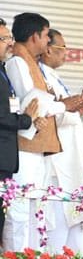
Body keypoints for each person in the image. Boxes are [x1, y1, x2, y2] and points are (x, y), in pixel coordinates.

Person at [4, 12, 65, 251]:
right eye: (46, 35)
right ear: (34, 36)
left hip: (36, 147)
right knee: (20, 211)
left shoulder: (31, 62)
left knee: (36, 211)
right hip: (23, 147)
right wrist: (64, 105)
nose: (48, 41)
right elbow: (32, 103)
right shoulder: (17, 62)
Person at [39, 29, 83, 252]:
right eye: (62, 48)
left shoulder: (54, 77)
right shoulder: (41, 76)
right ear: (47, 49)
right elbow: (54, 113)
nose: (66, 53)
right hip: (58, 163)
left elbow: (69, 112)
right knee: (58, 230)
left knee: (76, 230)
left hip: (71, 159)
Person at [0, 17, 40, 246]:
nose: (10, 44)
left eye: (10, 38)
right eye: (5, 39)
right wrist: (27, 119)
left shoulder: (3, 69)